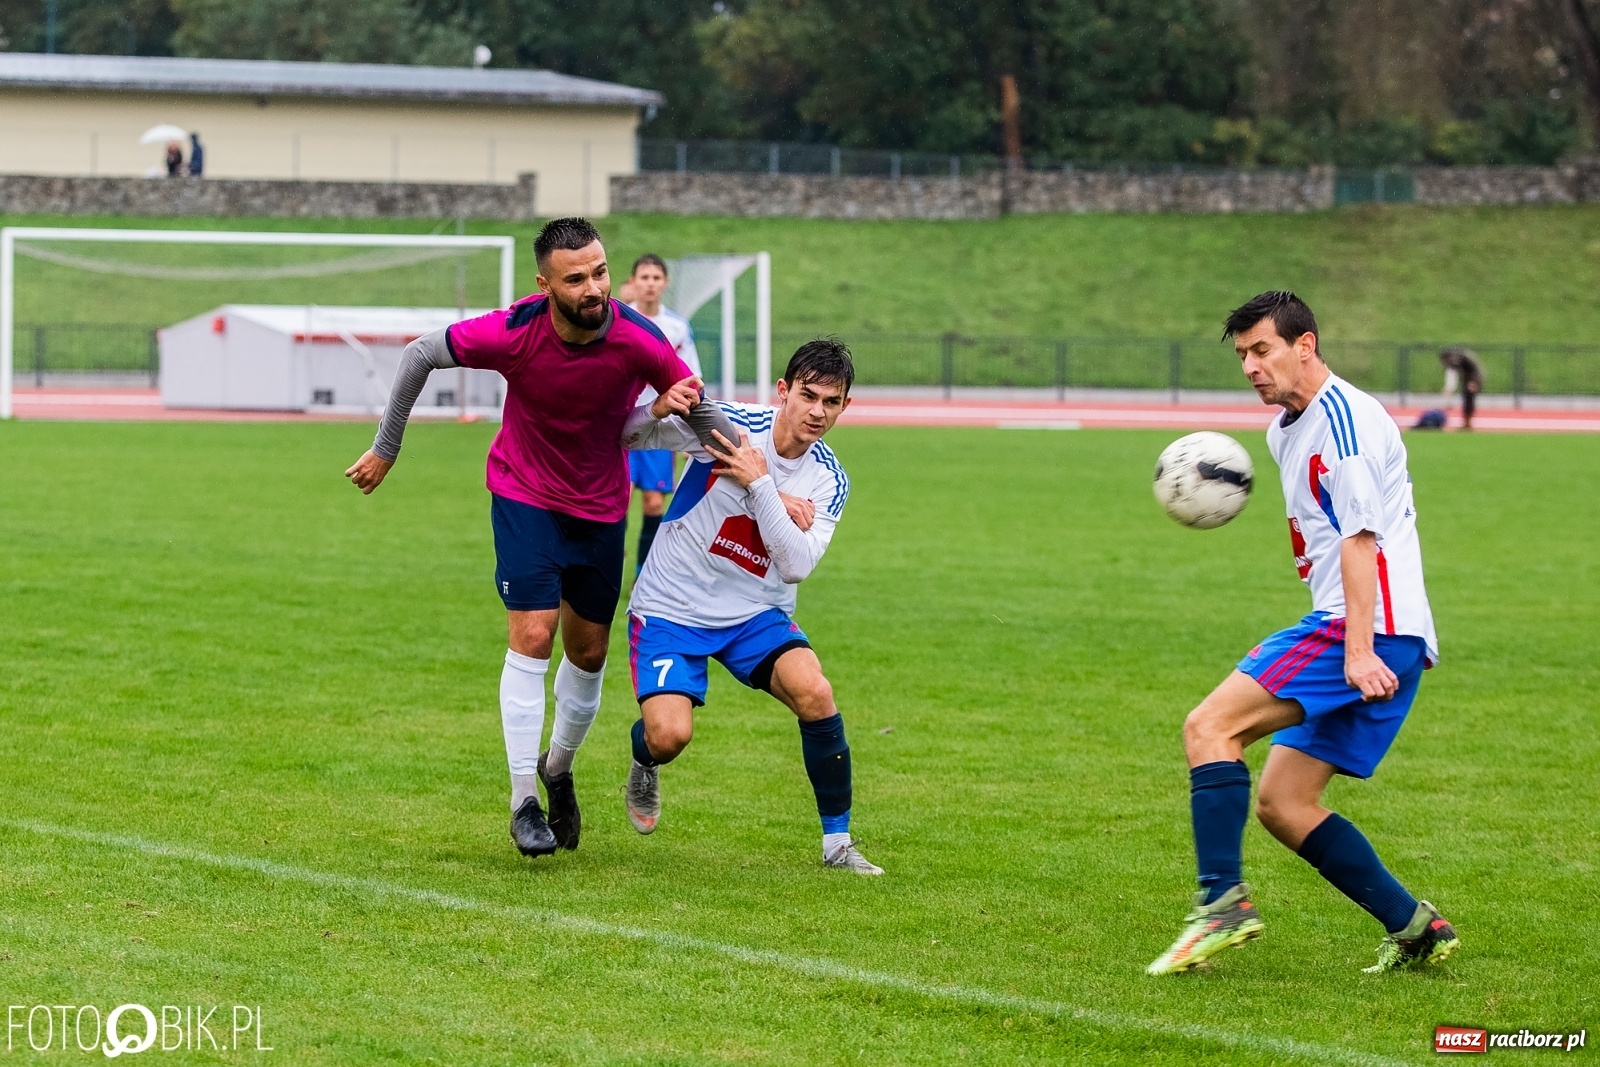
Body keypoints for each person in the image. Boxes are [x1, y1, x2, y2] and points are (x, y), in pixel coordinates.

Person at [343, 217, 702, 861]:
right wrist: (385, 448)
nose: (595, 288)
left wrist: (761, 473)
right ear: (544, 285)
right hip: (523, 494)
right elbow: (419, 353)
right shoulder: (513, 330)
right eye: (577, 279)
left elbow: (693, 403)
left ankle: (557, 768)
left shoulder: (638, 336)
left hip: (598, 508)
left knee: (588, 654)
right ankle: (522, 803)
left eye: (599, 271)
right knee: (534, 634)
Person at [1147, 291, 1457, 975]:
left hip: (1362, 624)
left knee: (1208, 728)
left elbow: (1360, 538)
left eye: (1263, 350)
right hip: (1385, 627)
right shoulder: (1287, 427)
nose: (1251, 367)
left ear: (1305, 345)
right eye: (1243, 356)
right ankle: (1416, 925)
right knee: (1285, 803)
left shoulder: (1344, 424)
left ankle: (1220, 905)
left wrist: (1360, 647)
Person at [618, 338, 883, 875]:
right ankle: (644, 760)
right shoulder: (729, 424)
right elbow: (627, 435)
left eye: (831, 402)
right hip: (673, 605)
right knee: (670, 736)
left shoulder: (830, 479)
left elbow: (795, 565)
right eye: (808, 396)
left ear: (845, 407)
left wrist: (760, 484)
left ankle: (838, 844)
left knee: (816, 692)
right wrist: (656, 409)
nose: (817, 412)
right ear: (783, 391)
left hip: (755, 613)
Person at [624, 254, 702, 573]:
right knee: (615, 501)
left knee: (654, 503)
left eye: (656, 278)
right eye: (644, 277)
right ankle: (603, 569)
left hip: (657, 425)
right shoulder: (620, 319)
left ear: (665, 283)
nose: (650, 284)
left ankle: (644, 573)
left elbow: (691, 380)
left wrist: (693, 434)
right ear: (634, 282)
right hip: (618, 422)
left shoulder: (676, 328)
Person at [1438, 348, 1483, 430]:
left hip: (1473, 380)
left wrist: (1474, 381)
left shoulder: (1459, 358)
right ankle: (1466, 423)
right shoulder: (1462, 356)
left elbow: (1453, 372)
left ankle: (1468, 423)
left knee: (1469, 400)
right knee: (1467, 400)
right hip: (1470, 380)